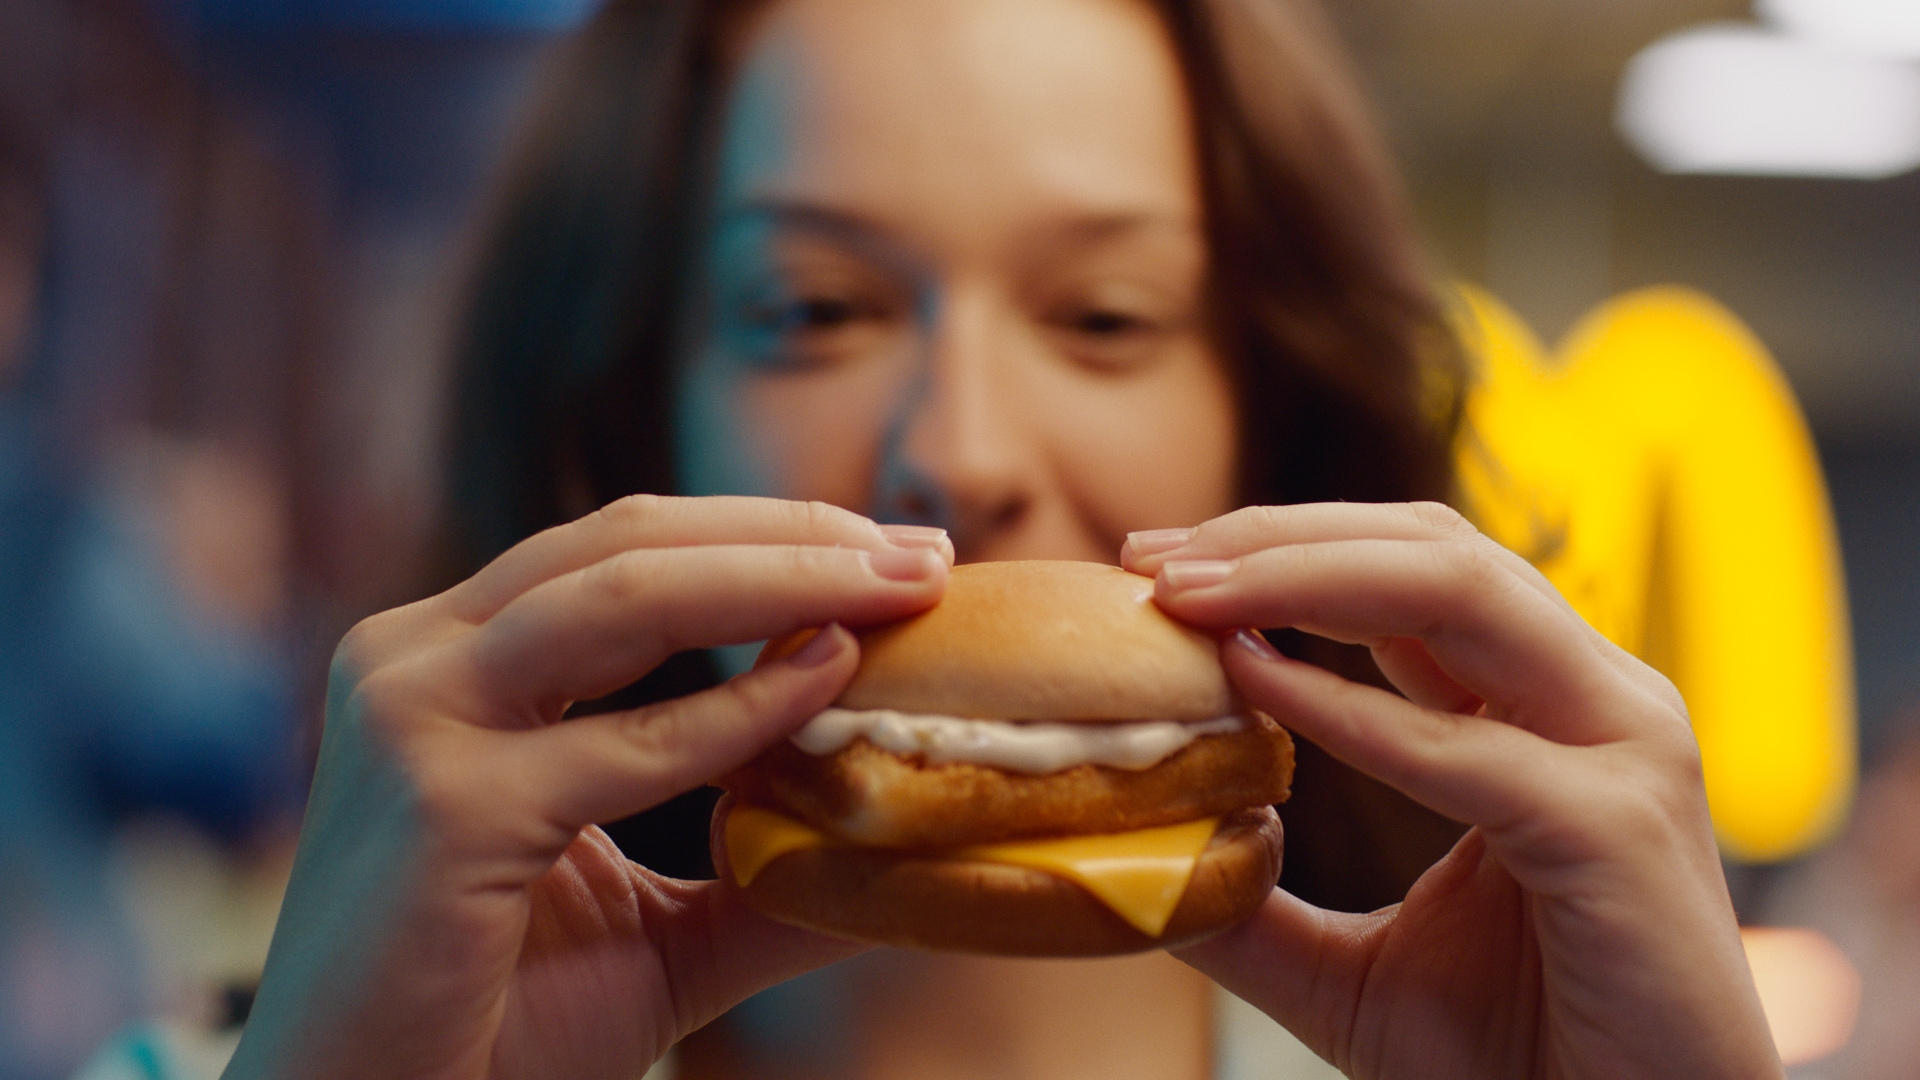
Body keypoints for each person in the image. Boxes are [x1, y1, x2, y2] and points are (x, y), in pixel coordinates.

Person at [219, 0, 1784, 1077]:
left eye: (1105, 315)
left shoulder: (1524, 1051)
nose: (957, 454)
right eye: (815, 310)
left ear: (1274, 417)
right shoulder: (274, 1056)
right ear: (631, 417)